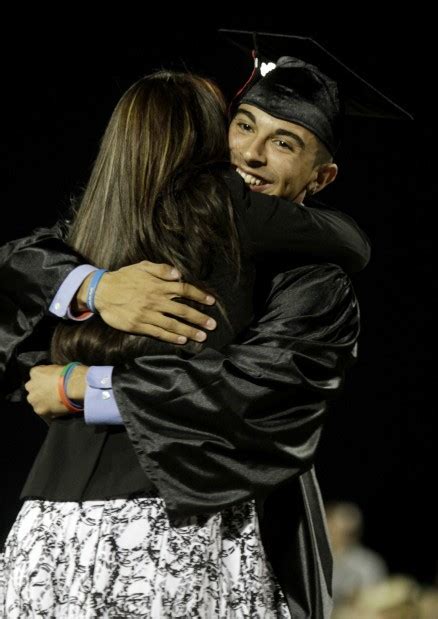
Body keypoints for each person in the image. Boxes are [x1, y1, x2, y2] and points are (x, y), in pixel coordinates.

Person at [0, 56, 371, 617]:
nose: (250, 153)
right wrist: (96, 287)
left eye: (285, 142)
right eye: (243, 125)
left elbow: (246, 396)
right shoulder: (134, 230)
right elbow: (20, 270)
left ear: (321, 178)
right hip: (52, 530)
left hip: (200, 529)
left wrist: (84, 387)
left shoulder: (314, 283)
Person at [326, 501, 388, 606]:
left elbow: (373, 600)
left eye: (334, 530)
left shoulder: (367, 563)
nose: (329, 533)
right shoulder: (316, 560)